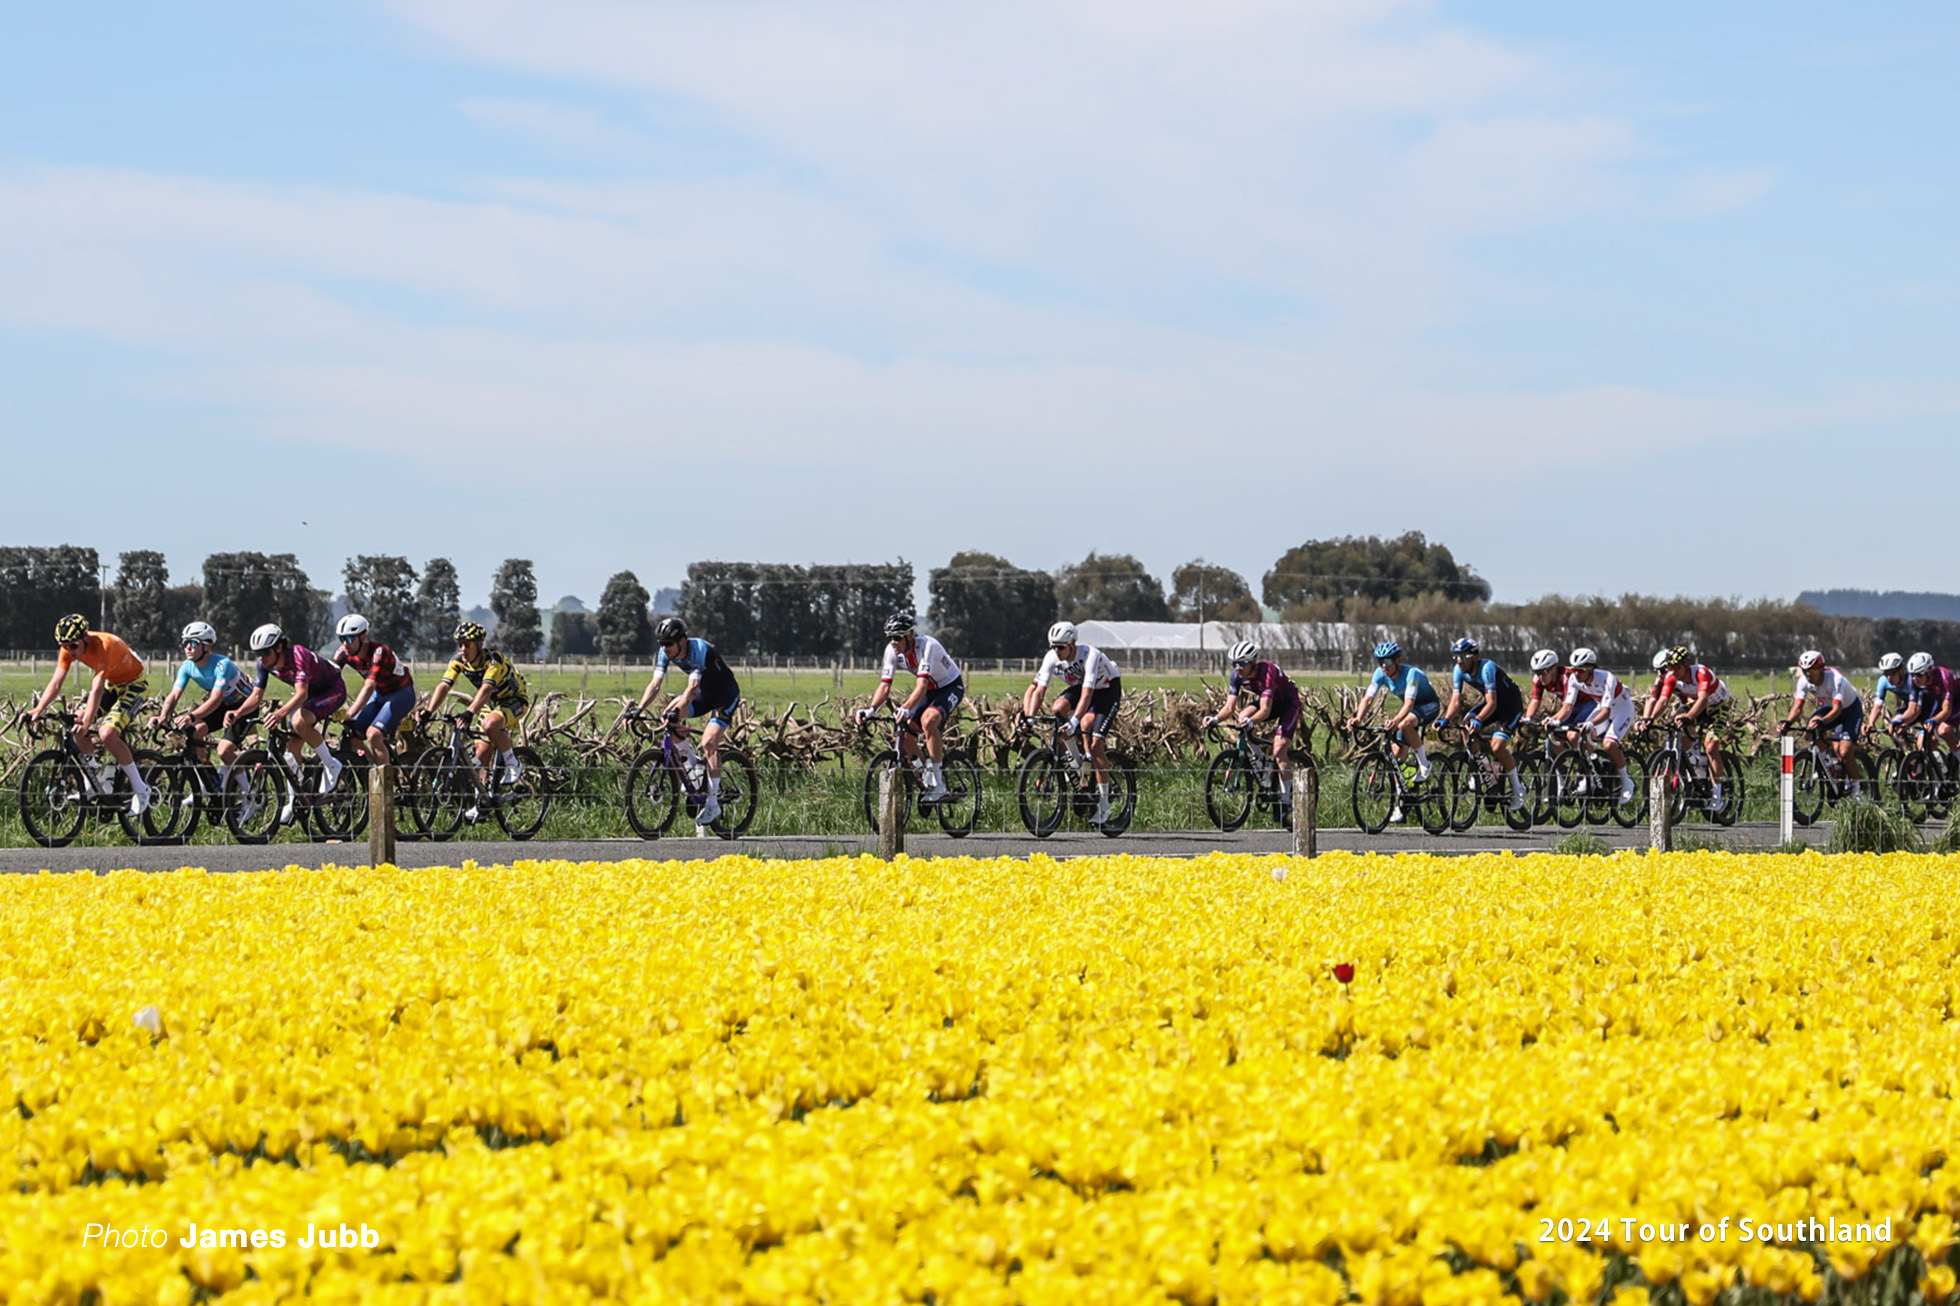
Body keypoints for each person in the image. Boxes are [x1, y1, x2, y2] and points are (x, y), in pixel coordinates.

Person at [24, 613, 153, 815]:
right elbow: (56, 683)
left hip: (134, 684)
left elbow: (97, 689)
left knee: (107, 733)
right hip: (113, 683)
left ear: (85, 638)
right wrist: (38, 710)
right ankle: (94, 781)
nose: (69, 651)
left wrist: (88, 722)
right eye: (64, 646)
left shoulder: (104, 645)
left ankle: (141, 789)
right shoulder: (69, 646)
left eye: (73, 646)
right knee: (76, 725)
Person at [228, 623, 350, 819]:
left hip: (332, 690)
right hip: (311, 695)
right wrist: (238, 712)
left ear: (278, 647)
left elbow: (301, 694)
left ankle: (331, 763)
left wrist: (279, 714)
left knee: (300, 720)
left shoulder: (298, 655)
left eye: (265, 652)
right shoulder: (264, 664)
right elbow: (257, 696)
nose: (261, 658)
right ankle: (295, 800)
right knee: (290, 752)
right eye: (257, 653)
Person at [632, 617, 742, 826]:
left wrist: (678, 709)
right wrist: (639, 709)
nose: (665, 649)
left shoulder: (698, 649)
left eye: (669, 644)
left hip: (725, 696)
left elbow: (691, 689)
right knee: (668, 719)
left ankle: (713, 803)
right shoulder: (664, 653)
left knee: (709, 742)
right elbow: (655, 684)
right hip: (704, 694)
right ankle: (694, 767)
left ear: (682, 640)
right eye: (662, 644)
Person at [420, 621, 530, 816]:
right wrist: (428, 711)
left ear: (479, 644)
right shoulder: (458, 661)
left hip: (514, 699)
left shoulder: (494, 661)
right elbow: (444, 685)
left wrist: (470, 712)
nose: (463, 649)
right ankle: (483, 802)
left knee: (490, 725)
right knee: (481, 752)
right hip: (492, 703)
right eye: (460, 644)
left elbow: (487, 688)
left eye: (468, 644)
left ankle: (513, 763)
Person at [1023, 620, 1123, 827]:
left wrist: (1075, 720)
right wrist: (1030, 719)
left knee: (1094, 742)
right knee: (1058, 710)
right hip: (1082, 687)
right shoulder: (1052, 657)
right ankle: (1079, 767)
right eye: (1052, 646)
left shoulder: (1090, 655)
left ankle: (1104, 806)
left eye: (1060, 647)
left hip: (1106, 690)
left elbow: (1087, 695)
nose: (1056, 650)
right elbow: (1038, 691)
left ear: (1072, 644)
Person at [859, 612, 964, 803]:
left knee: (928, 721)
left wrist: (906, 707)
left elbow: (922, 685)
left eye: (897, 638)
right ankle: (926, 774)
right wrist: (871, 709)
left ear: (909, 636)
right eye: (890, 638)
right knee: (905, 732)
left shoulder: (927, 646)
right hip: (929, 690)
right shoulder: (892, 651)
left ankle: (938, 785)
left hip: (950, 686)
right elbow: (885, 686)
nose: (893, 642)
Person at [1203, 639, 1303, 826]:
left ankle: (1286, 800)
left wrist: (1252, 721)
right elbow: (1229, 707)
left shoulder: (1268, 672)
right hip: (1271, 703)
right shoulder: (1237, 676)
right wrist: (1215, 719)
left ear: (1252, 662)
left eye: (1240, 663)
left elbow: (1265, 710)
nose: (1237, 668)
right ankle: (1262, 765)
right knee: (1242, 717)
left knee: (1279, 750)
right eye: (1233, 663)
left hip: (1288, 703)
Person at [150, 621, 255, 780]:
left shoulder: (222, 665)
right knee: (195, 733)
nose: (188, 647)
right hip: (223, 707)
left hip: (244, 707)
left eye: (193, 643)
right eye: (185, 643)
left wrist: (191, 716)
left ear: (207, 646)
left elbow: (215, 698)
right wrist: (163, 716)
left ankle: (249, 796)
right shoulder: (187, 666)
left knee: (224, 751)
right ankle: (210, 782)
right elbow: (174, 695)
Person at [1437, 637, 1527, 811]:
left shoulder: (1487, 668)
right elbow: (1456, 701)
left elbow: (1492, 703)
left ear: (1474, 657)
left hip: (1510, 706)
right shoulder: (1458, 670)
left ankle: (1518, 788)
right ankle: (1482, 771)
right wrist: (1445, 719)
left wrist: (1479, 720)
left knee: (1497, 746)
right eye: (1456, 656)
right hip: (1491, 705)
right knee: (1466, 725)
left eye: (1463, 656)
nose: (1459, 661)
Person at [1643, 647, 1734, 805]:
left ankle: (1717, 793)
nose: (1674, 671)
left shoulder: (1701, 672)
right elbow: (1663, 701)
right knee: (1675, 723)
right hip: (1695, 704)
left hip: (1717, 706)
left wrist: (1689, 717)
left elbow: (1703, 699)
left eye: (1677, 667)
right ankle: (1692, 760)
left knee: (1711, 747)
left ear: (1686, 664)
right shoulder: (1672, 677)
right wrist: (1649, 719)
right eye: (1671, 668)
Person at [1546, 647, 1636, 802]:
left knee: (1608, 744)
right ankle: (1593, 771)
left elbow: (1606, 712)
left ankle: (1626, 781)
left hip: (1622, 710)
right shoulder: (1574, 679)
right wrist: (1555, 720)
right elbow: (1568, 707)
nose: (1576, 673)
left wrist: (1590, 723)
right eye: (1574, 670)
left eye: (1580, 670)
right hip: (1602, 708)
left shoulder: (1607, 678)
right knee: (1579, 736)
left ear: (1590, 669)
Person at [1347, 640, 1438, 780]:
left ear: (1397, 660)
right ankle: (1402, 792)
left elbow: (1409, 703)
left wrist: (1395, 721)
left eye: (1388, 661)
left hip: (1428, 704)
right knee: (1397, 753)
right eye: (1380, 661)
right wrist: (1358, 719)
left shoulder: (1411, 674)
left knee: (1404, 724)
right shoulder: (1379, 674)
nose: (1384, 665)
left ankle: (1424, 764)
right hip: (1410, 710)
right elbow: (1368, 699)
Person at [334, 614, 417, 766]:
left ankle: (385, 786)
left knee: (374, 735)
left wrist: (351, 712)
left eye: (350, 639)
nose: (345, 644)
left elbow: (369, 685)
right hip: (380, 695)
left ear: (363, 637)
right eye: (342, 639)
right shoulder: (343, 653)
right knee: (352, 732)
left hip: (401, 694)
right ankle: (372, 764)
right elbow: (330, 677)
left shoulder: (379, 652)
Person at [1782, 650, 1865, 797]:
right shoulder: (1803, 681)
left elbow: (1837, 709)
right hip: (1829, 707)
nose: (1808, 675)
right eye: (1805, 671)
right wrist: (1788, 723)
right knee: (1810, 730)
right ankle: (1827, 763)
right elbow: (1797, 707)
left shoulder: (1835, 679)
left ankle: (1857, 789)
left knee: (1844, 752)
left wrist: (1824, 721)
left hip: (1850, 710)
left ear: (1821, 669)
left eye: (1812, 671)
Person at [1895, 652, 1960, 757]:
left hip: (1956, 702)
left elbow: (1947, 710)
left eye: (1918, 675)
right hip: (1939, 702)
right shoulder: (1915, 682)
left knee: (1943, 731)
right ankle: (1939, 769)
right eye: (1912, 675)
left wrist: (1934, 720)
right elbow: (1914, 710)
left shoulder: (1943, 677)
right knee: (1924, 742)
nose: (1915, 678)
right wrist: (1902, 720)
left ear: (1928, 672)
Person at [1866, 652, 1910, 735]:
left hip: (1922, 707)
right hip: (1908, 707)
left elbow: (1915, 709)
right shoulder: (1883, 681)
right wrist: (1871, 723)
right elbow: (1877, 706)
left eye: (1892, 673)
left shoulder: (1912, 680)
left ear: (1901, 671)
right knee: (1893, 729)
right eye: (1886, 673)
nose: (1889, 678)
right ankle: (1902, 748)